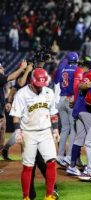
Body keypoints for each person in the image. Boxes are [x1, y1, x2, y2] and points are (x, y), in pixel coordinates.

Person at [10, 68, 59, 200]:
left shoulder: (49, 92)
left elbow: (53, 113)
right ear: (31, 81)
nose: (40, 88)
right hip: (28, 133)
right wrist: (17, 131)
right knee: (28, 166)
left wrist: (55, 129)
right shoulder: (22, 94)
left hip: (45, 132)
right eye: (38, 85)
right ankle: (26, 197)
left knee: (52, 162)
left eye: (42, 85)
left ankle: (49, 195)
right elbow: (16, 116)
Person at [56, 52, 78, 167]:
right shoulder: (77, 70)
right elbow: (76, 85)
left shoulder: (62, 69)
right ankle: (69, 156)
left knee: (64, 129)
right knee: (73, 129)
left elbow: (56, 81)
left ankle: (59, 155)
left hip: (61, 98)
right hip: (70, 98)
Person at [0, 61, 27, 152]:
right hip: (19, 108)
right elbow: (17, 82)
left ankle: (4, 150)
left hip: (2, 112)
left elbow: (13, 89)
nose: (3, 69)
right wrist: (23, 68)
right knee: (22, 131)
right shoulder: (21, 76)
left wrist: (7, 102)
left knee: (2, 140)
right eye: (1, 68)